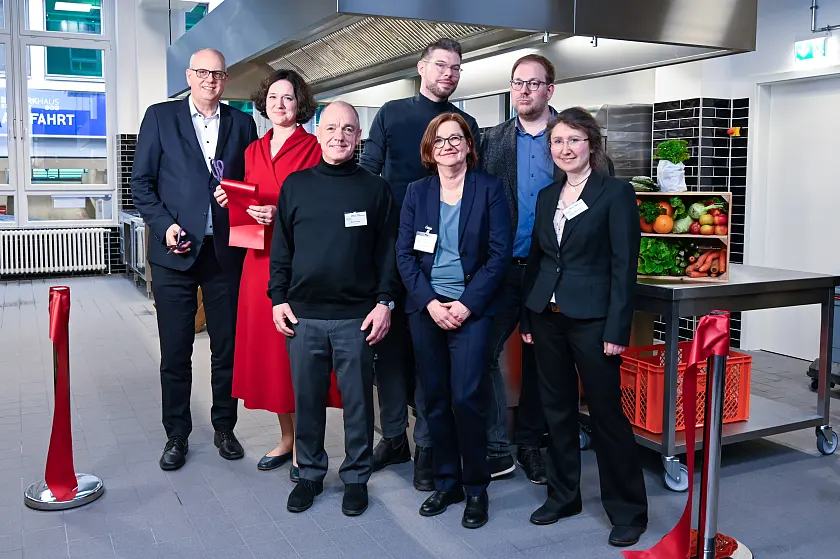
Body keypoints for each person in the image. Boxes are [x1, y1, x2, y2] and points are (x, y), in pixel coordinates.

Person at [519, 107, 648, 547]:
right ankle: (563, 496)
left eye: (573, 140)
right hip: (547, 318)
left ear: (591, 144)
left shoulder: (615, 193)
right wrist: (528, 316)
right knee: (555, 412)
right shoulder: (544, 197)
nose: (565, 149)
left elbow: (622, 268)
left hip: (594, 322)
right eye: (557, 141)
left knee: (607, 415)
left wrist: (618, 329)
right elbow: (536, 261)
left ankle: (628, 510)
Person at [359, 37, 482, 489]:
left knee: (431, 358)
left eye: (456, 68)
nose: (449, 74)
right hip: (394, 247)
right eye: (441, 66)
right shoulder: (393, 113)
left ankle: (428, 446)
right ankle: (393, 436)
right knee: (388, 349)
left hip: (446, 258)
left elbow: (476, 188)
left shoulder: (466, 122)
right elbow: (369, 171)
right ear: (422, 67)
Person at [268, 101, 399, 517]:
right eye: (332, 128)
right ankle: (309, 473)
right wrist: (278, 298)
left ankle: (356, 477)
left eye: (348, 129)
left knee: (358, 401)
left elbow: (387, 254)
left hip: (356, 316)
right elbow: (281, 249)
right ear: (318, 132)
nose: (339, 136)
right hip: (303, 315)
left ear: (358, 137)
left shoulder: (376, 189)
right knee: (307, 399)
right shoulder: (296, 185)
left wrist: (384, 303)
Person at [131, 48, 257, 471]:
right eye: (202, 72)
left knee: (226, 349)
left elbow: (252, 186)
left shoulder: (242, 123)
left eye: (218, 74)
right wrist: (165, 225)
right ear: (189, 75)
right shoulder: (160, 117)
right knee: (175, 351)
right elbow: (142, 185)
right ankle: (177, 435)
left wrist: (236, 197)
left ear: (226, 79)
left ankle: (225, 427)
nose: (210, 80)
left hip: (223, 255)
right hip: (174, 254)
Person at [214, 69, 342, 480]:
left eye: (288, 98)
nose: (280, 104)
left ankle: (309, 446)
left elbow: (324, 208)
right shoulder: (253, 150)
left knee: (301, 358)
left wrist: (279, 215)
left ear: (301, 104)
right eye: (273, 97)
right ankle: (287, 438)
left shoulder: (313, 146)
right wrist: (231, 199)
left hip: (301, 265)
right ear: (263, 103)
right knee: (271, 360)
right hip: (258, 265)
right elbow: (246, 212)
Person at [397, 113, 511, 529]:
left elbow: (499, 254)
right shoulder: (416, 192)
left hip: (471, 309)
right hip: (426, 310)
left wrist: (467, 303)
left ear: (468, 145)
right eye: (439, 140)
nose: (447, 145)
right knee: (435, 399)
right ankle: (447, 483)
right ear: (430, 150)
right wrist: (428, 302)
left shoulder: (489, 190)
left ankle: (476, 488)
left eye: (455, 138)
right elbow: (405, 256)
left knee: (466, 398)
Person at [478, 54, 561, 484]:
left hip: (552, 270)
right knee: (485, 349)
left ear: (550, 89)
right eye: (517, 83)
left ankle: (530, 443)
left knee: (541, 360)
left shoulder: (571, 136)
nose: (524, 91)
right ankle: (495, 445)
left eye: (534, 83)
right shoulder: (489, 139)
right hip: (502, 267)